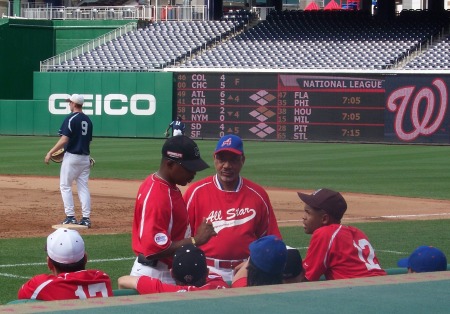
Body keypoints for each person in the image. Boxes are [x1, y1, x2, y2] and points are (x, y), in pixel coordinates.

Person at [184, 134, 282, 282]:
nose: (227, 166)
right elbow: (181, 235)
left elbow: (271, 239)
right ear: (214, 159)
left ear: (243, 160)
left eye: (233, 160)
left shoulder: (258, 194)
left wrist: (251, 264)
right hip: (207, 269)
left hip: (246, 270)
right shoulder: (196, 192)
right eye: (222, 159)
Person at [130, 135, 216, 284]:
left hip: (162, 271)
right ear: (170, 164)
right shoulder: (158, 196)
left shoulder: (166, 186)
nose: (193, 173)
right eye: (189, 168)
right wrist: (196, 240)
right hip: (156, 273)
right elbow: (153, 249)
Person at [297, 188, 387, 281]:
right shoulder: (357, 232)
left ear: (324, 219)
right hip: (382, 283)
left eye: (308, 212)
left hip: (359, 289)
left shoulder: (325, 233)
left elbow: (305, 279)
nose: (304, 217)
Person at [18, 228, 113, 301]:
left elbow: (21, 296)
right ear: (86, 258)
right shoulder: (102, 278)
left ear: (49, 264)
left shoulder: (42, 285)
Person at [44, 94, 93, 228]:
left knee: (65, 186)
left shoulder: (71, 118)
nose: (68, 104)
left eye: (69, 102)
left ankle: (70, 216)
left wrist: (50, 152)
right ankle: (86, 218)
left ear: (73, 104)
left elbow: (64, 139)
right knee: (83, 187)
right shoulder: (88, 120)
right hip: (85, 158)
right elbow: (87, 141)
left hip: (72, 157)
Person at [119, 244, 229, 293]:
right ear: (207, 272)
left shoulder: (164, 290)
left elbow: (123, 281)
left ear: (171, 273)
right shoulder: (220, 285)